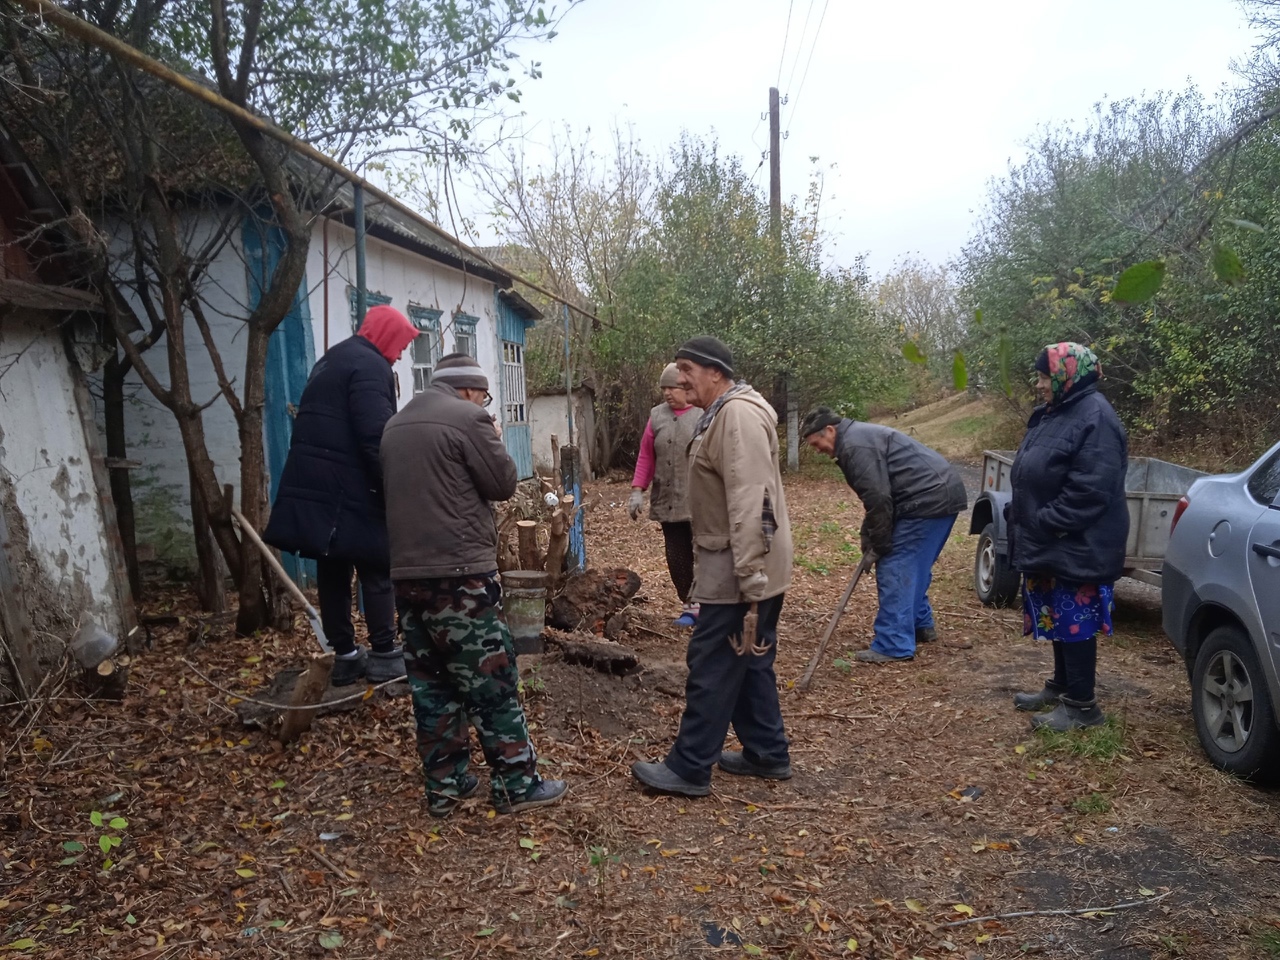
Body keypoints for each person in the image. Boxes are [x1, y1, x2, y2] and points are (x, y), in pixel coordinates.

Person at [380, 352, 567, 816]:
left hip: (407, 576)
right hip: (461, 577)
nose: (485, 403)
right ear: (469, 390)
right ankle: (517, 785)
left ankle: (446, 786)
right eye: (484, 396)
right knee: (492, 682)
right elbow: (503, 482)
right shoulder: (469, 419)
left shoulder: (395, 425)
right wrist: (493, 436)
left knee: (432, 684)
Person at [631, 336, 794, 797]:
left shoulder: (737, 416)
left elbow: (750, 498)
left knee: (712, 661)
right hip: (741, 559)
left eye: (686, 369)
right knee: (749, 657)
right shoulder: (724, 411)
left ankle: (688, 767)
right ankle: (767, 752)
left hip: (741, 565)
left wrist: (749, 574)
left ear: (715, 372)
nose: (678, 379)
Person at [264, 304, 419, 686]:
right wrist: (392, 487)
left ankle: (346, 655)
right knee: (376, 565)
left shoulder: (331, 360)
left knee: (332, 567)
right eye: (399, 345)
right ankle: (384, 653)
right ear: (384, 336)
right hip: (349, 488)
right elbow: (375, 435)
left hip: (319, 487)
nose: (399, 355)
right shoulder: (370, 367)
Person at [1009, 342, 1128, 731]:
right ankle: (1061, 687)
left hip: (1077, 542)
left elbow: (1091, 489)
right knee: (1059, 617)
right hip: (1054, 539)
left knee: (1075, 620)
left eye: (1044, 376)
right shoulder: (1058, 411)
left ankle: (1082, 707)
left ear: (1066, 375)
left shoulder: (1096, 416)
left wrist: (1047, 521)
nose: (1039, 384)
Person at [800, 407, 968, 663]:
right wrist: (867, 537)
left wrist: (878, 546)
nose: (818, 450)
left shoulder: (855, 447)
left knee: (896, 565)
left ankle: (893, 643)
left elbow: (879, 500)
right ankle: (920, 625)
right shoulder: (855, 438)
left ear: (830, 430)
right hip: (938, 494)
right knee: (913, 564)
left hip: (927, 498)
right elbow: (875, 500)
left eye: (817, 443)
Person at [628, 363, 704, 626]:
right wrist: (638, 490)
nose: (667, 394)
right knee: (676, 556)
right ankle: (689, 605)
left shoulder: (702, 414)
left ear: (685, 387)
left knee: (702, 552)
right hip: (667, 498)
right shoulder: (656, 416)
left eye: (672, 387)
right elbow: (646, 455)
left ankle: (709, 605)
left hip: (699, 498)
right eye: (663, 389)